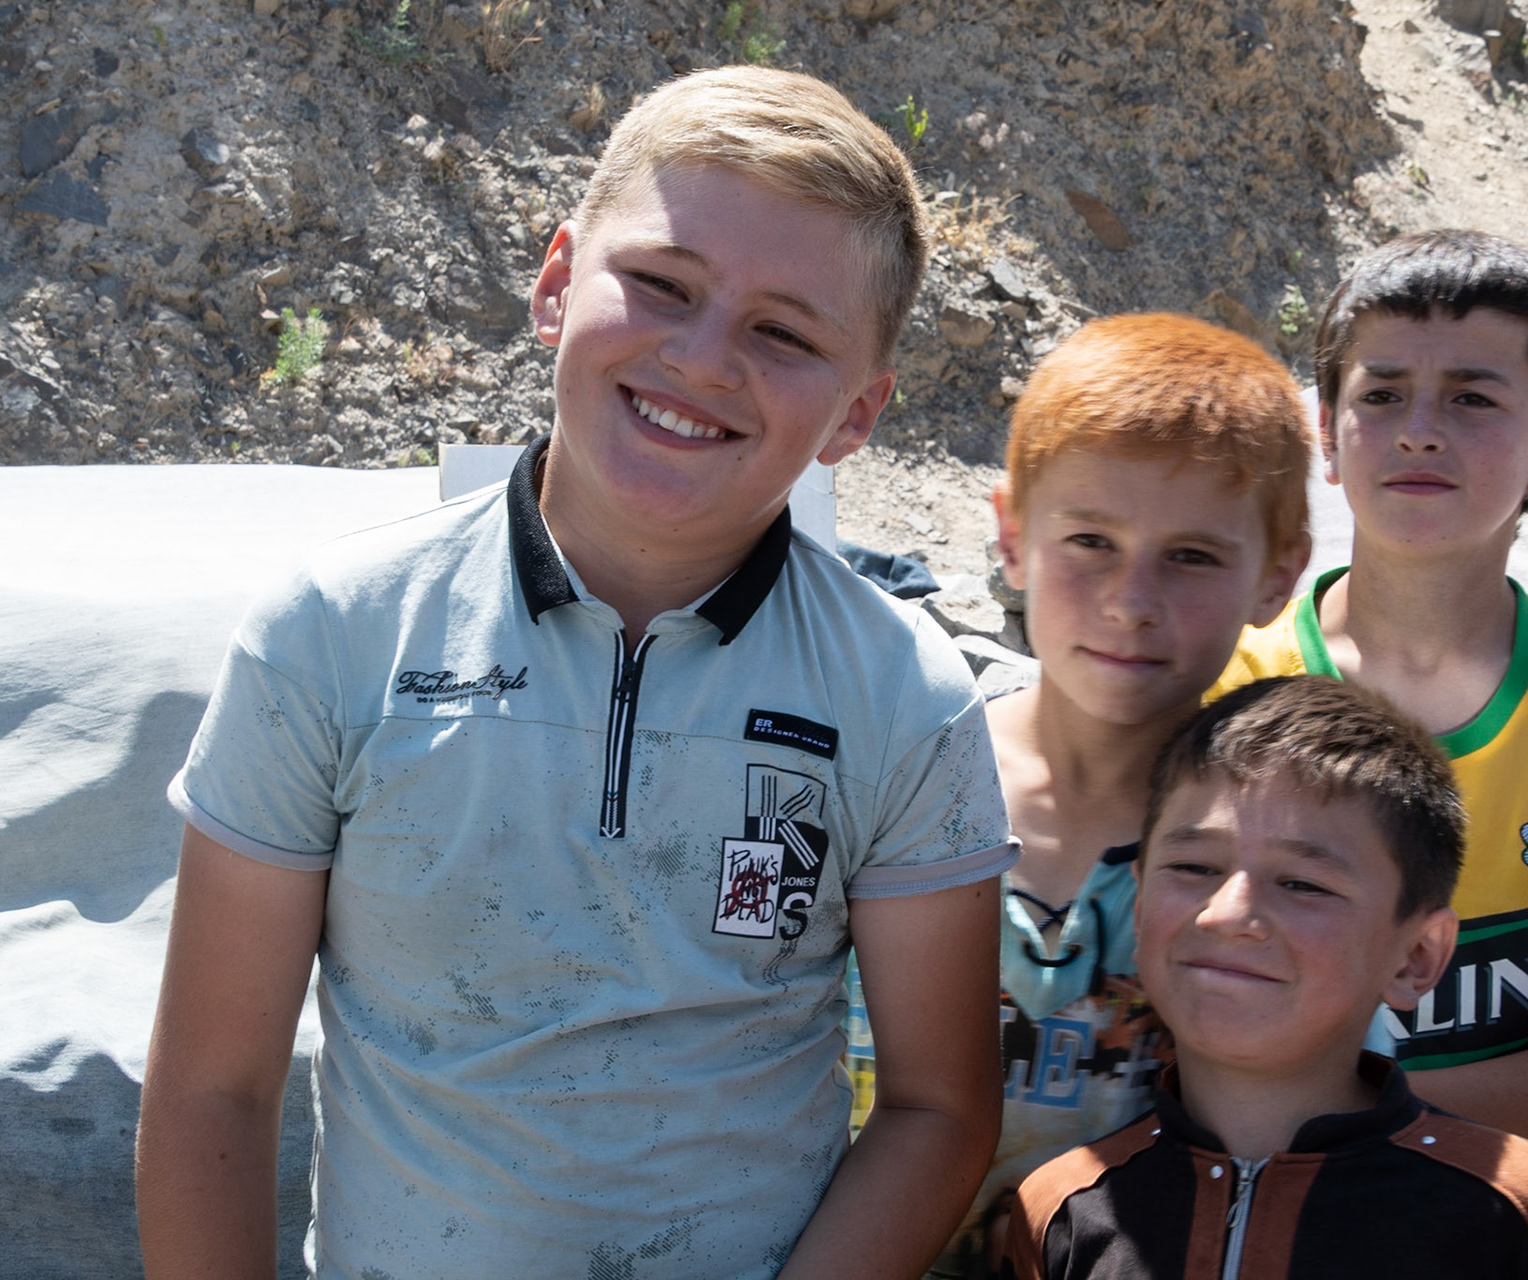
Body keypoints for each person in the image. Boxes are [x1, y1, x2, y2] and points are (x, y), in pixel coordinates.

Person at [136, 67, 1015, 1280]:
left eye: (784, 331)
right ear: (555, 284)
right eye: (660, 283)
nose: (704, 359)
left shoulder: (904, 694)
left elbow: (938, 1109)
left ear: (859, 412)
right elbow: (211, 1088)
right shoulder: (334, 631)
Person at [1212, 229, 1528, 1252]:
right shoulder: (1229, 692)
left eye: (1475, 398)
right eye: (1383, 393)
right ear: (1326, 428)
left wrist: (1348, 1120)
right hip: (1259, 1233)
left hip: (1506, 1236)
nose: (1420, 431)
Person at [861, 313, 1314, 1276]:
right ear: (1013, 539)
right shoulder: (892, 785)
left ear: (1278, 573)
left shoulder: (1289, 856)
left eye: (1191, 556)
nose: (1129, 599)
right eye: (1091, 541)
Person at [1004, 676, 1528, 1280]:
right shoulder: (1062, 1210)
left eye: (1302, 884)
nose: (1227, 913)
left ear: (1416, 956)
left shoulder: (1515, 1212)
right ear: (1138, 907)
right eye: (1193, 866)